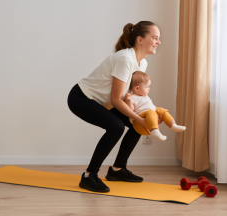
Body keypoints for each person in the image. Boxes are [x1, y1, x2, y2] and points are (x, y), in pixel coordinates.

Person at [67, 21, 161, 193]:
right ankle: (89, 176)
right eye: (154, 38)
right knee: (116, 127)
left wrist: (147, 115)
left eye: (158, 38)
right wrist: (138, 118)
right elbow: (117, 99)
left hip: (106, 102)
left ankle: (117, 170)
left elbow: (130, 97)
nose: (158, 42)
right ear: (140, 39)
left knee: (137, 126)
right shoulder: (125, 59)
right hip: (81, 98)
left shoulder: (142, 64)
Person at [124, 71, 186, 141]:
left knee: (161, 110)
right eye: (147, 87)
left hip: (149, 117)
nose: (149, 89)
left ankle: (173, 125)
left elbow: (151, 106)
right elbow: (130, 111)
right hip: (139, 124)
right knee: (151, 112)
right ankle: (154, 131)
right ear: (137, 88)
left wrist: (160, 111)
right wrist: (128, 100)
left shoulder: (145, 96)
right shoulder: (132, 98)